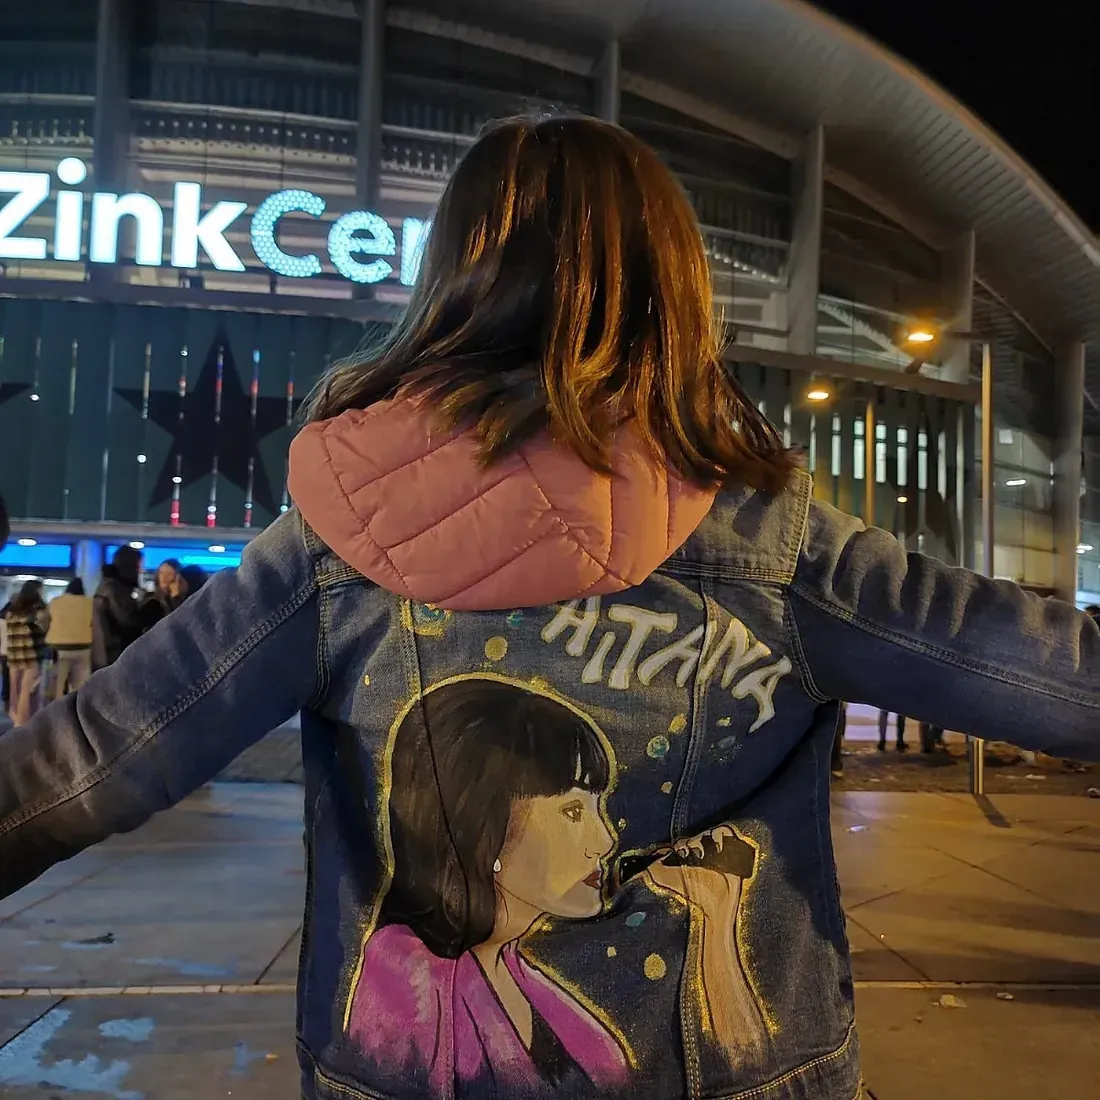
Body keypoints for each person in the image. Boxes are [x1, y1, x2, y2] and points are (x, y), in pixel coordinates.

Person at [0, 116, 1097, 1100]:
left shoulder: (336, 544)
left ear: (449, 277)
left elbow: (96, 754)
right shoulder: (774, 542)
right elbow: (1053, 678)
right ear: (673, 289)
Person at [2, 580, 51, 726]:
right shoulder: (37, 612)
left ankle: (15, 716)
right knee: (26, 689)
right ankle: (23, 721)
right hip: (31, 655)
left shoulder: (11, 612)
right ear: (36, 592)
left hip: (13, 655)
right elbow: (45, 628)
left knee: (14, 688)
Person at [91, 546, 147, 671]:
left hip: (106, 653)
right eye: (139, 565)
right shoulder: (115, 588)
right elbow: (126, 621)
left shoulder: (108, 585)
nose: (141, 570)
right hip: (113, 654)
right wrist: (146, 614)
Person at [46, 579, 94, 698]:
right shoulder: (89, 603)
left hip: (60, 649)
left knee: (58, 686)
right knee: (80, 687)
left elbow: (46, 621)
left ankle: (58, 711)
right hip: (83, 648)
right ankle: (76, 712)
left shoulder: (55, 602)